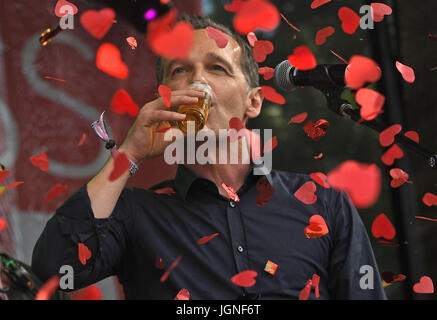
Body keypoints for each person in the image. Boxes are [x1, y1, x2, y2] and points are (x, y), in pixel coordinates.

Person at [31, 14, 387, 300]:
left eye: (217, 68)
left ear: (254, 101)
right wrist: (130, 152)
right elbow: (54, 266)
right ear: (164, 98)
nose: (197, 80)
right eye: (180, 71)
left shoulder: (324, 204)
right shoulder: (135, 213)